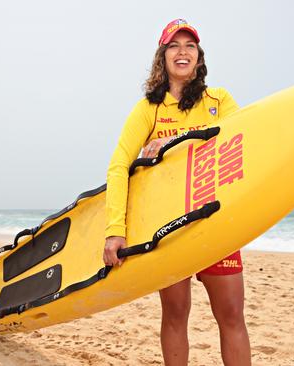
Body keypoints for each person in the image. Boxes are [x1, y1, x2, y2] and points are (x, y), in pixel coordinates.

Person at [103, 19, 251, 366]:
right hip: (169, 226)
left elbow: (239, 140)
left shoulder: (219, 100)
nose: (182, 52)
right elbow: (118, 166)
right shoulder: (148, 110)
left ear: (199, 58)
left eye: (190, 46)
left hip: (218, 221)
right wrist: (115, 230)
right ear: (163, 56)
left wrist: (171, 143)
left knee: (231, 316)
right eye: (174, 46)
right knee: (175, 313)